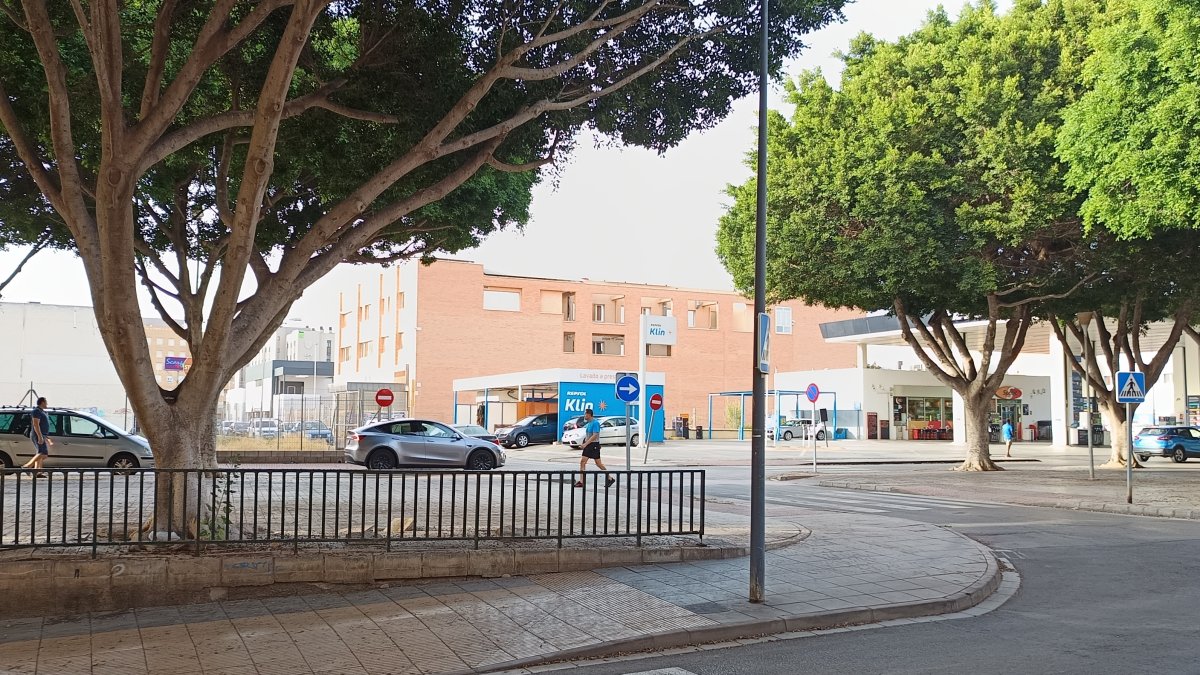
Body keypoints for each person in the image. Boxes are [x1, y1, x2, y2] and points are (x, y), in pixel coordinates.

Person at [575, 408, 615, 488]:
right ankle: (581, 481)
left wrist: (585, 444)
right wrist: (584, 444)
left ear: (589, 414)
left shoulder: (595, 423)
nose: (584, 415)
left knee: (598, 464)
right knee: (582, 462)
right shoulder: (589, 423)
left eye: (585, 414)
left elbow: (595, 435)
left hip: (594, 446)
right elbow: (588, 435)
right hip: (589, 445)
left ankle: (610, 478)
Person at [21, 396, 53, 476]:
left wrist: (46, 437)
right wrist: (40, 436)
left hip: (42, 434)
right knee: (43, 453)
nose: (47, 404)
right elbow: (36, 424)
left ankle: (37, 472)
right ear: (42, 402)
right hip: (37, 434)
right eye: (46, 402)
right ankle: (27, 466)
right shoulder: (36, 411)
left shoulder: (42, 411)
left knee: (39, 453)